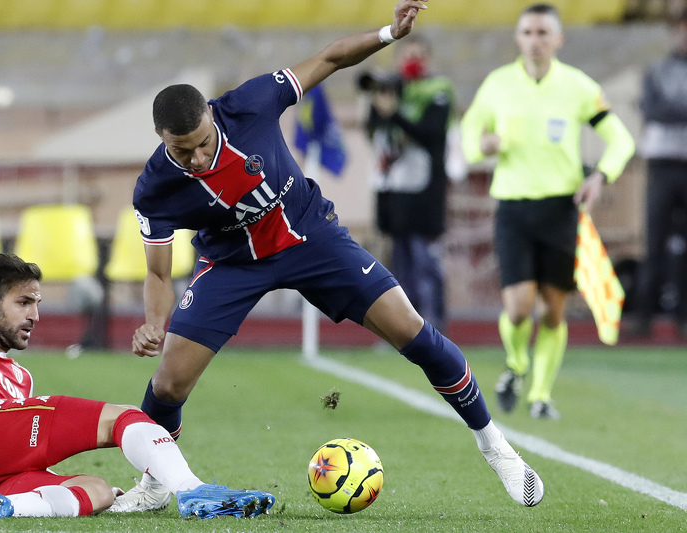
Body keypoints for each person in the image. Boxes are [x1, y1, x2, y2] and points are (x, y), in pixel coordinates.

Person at [129, 0, 544, 508]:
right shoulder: (153, 188)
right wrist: (154, 321)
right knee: (168, 382)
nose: (195, 158)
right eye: (180, 150)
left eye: (201, 143)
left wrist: (389, 33)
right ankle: (153, 483)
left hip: (310, 236)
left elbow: (329, 59)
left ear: (212, 117)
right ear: (159, 138)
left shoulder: (251, 103)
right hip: (232, 262)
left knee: (412, 331)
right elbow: (156, 270)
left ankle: (495, 446)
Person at [0, 253, 274, 519]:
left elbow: (15, 446)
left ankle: (1, 509)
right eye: (23, 302)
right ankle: (192, 490)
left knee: (98, 490)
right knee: (124, 418)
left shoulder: (21, 377)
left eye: (37, 303)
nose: (35, 315)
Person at [460, 4, 635, 420]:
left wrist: (601, 176)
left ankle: (541, 395)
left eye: (542, 32)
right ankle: (516, 365)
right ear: (517, 38)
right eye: (526, 32)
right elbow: (468, 134)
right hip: (514, 209)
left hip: (561, 210)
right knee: (520, 307)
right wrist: (482, 146)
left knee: (553, 311)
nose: (533, 40)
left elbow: (621, 140)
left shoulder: (577, 87)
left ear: (558, 39)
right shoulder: (498, 84)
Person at [359, 34, 454, 331]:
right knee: (398, 263)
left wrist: (395, 114)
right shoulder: (391, 88)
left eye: (419, 56)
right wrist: (377, 105)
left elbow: (431, 133)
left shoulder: (437, 90)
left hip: (424, 189)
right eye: (408, 56)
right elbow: (373, 130)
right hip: (393, 187)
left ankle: (435, 324)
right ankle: (406, 328)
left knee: (424, 261)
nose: (412, 62)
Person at [629, 14, 687, 338]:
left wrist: (672, 109)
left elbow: (665, 109)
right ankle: (642, 319)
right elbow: (652, 111)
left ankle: (683, 319)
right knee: (654, 243)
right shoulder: (657, 70)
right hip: (662, 166)